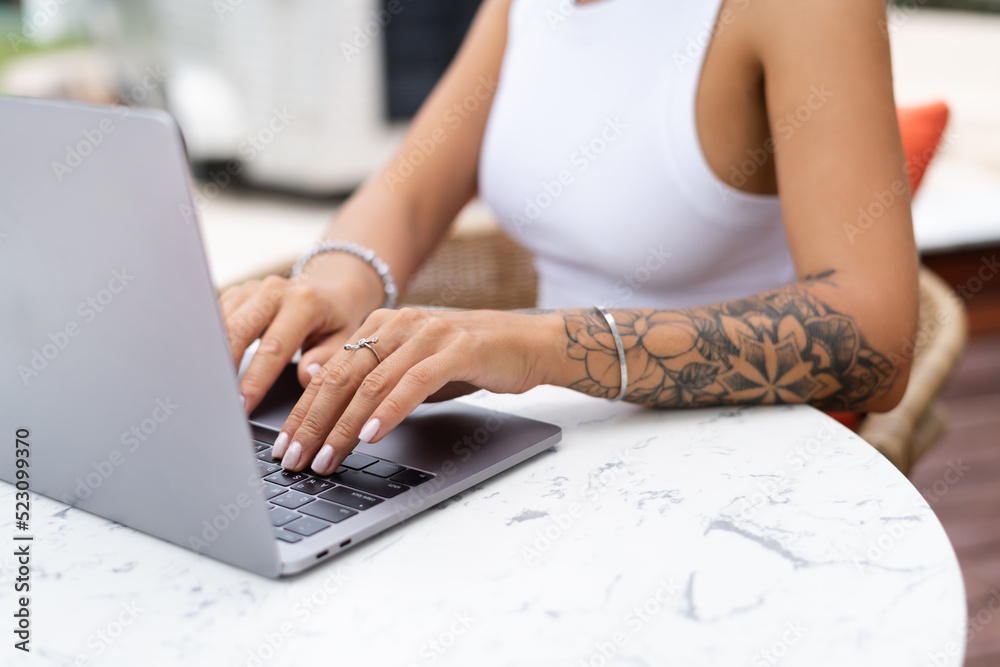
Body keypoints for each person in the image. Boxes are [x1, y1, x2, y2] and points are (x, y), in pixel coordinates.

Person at [219, 0, 918, 477]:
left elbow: (874, 339)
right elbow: (406, 194)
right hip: (543, 444)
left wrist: (536, 345)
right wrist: (331, 286)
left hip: (733, 464)